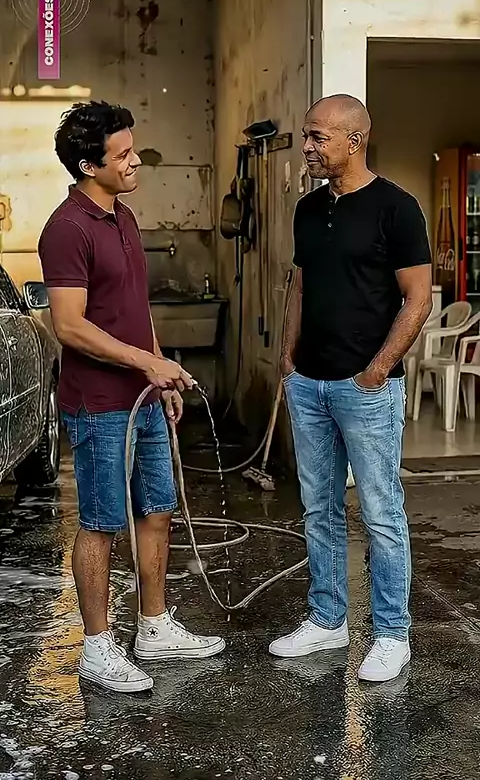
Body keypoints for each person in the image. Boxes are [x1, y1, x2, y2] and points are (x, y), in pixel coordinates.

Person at [38, 101, 225, 694]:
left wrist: (159, 373)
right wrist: (147, 363)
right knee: (100, 523)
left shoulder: (123, 217)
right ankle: (96, 648)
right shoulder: (66, 228)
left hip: (142, 397)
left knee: (156, 509)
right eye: (122, 155)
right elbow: (69, 325)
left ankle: (154, 627)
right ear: (88, 166)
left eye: (132, 148)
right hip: (99, 404)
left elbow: (135, 311)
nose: (135, 160)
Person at [269, 94, 432, 682]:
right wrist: (288, 356)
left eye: (318, 137)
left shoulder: (397, 209)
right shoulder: (309, 209)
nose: (307, 147)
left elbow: (418, 298)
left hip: (366, 389)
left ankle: (391, 634)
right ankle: (327, 619)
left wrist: (378, 370)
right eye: (306, 135)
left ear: (354, 139)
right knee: (319, 508)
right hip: (309, 385)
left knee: (381, 512)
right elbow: (301, 284)